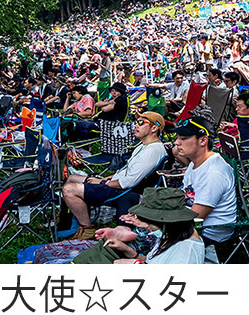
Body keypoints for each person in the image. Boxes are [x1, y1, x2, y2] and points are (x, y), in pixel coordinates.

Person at [62, 111, 167, 237]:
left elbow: (127, 183)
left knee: (69, 190)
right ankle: (67, 220)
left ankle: (87, 227)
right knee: (73, 178)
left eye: (141, 123)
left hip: (123, 191)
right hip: (117, 184)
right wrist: (107, 177)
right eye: (135, 122)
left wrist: (102, 182)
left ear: (154, 128)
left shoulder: (152, 151)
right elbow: (127, 170)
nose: (135, 126)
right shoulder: (144, 146)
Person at [171, 116, 238, 259]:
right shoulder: (195, 163)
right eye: (177, 137)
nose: (177, 142)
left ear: (203, 140)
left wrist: (156, 220)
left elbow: (196, 217)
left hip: (209, 232)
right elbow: (185, 194)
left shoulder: (214, 173)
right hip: (193, 225)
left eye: (183, 138)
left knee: (145, 235)